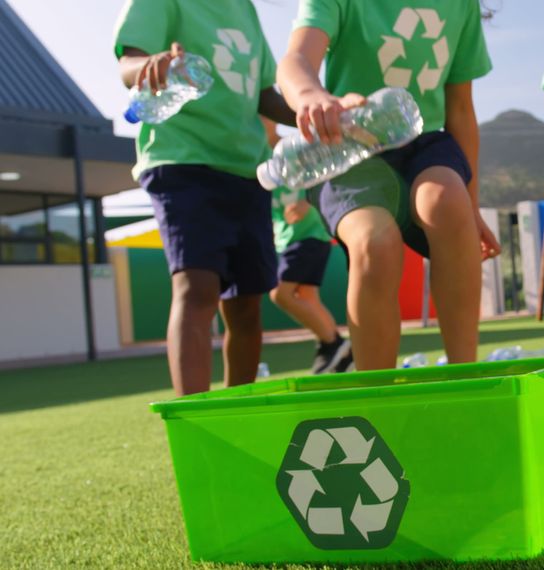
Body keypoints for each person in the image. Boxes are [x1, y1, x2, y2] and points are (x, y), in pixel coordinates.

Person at [277, 0, 500, 370]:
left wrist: (470, 208)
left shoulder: (461, 6)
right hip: (348, 147)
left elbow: (460, 108)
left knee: (447, 202)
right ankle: (374, 397)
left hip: (424, 141)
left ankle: (465, 379)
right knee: (375, 243)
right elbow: (295, 60)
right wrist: (311, 97)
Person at [114, 0, 295, 395]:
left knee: (247, 303)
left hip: (248, 170)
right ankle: (192, 421)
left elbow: (264, 94)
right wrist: (155, 65)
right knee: (197, 288)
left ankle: (236, 412)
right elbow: (129, 65)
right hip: (182, 161)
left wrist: (316, 111)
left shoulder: (244, 9)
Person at [262, 121, 353, 375]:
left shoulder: (292, 148)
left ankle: (333, 343)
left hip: (312, 234)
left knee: (280, 294)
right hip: (287, 238)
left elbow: (329, 172)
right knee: (308, 298)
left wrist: (310, 203)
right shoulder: (256, 157)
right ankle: (339, 354)